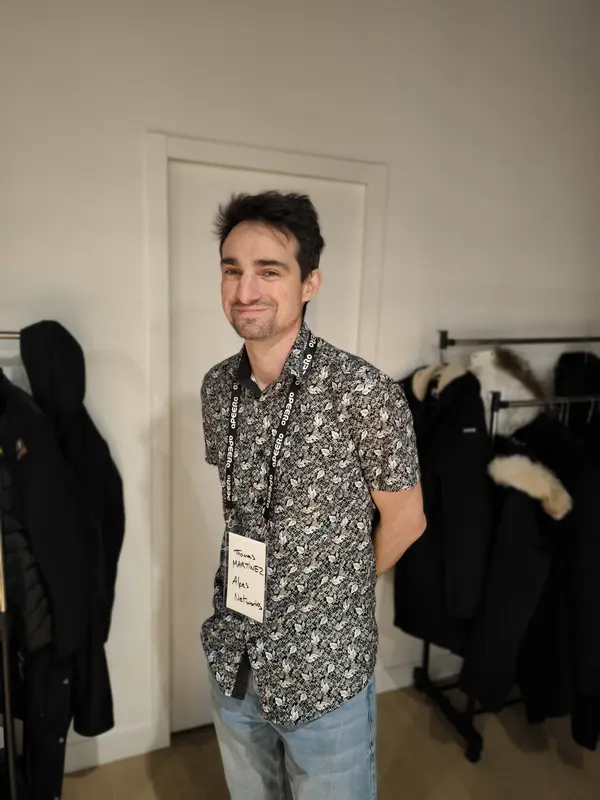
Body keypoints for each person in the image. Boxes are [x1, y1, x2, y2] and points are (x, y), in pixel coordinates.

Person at [200, 191, 426, 800]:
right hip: (235, 651)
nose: (245, 289)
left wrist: (333, 595)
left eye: (269, 270)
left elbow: (407, 520)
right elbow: (242, 511)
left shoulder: (364, 392)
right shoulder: (217, 388)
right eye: (232, 269)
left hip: (323, 669)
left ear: (309, 283)